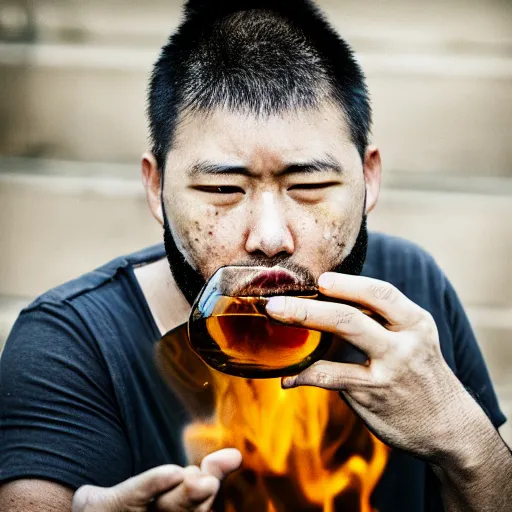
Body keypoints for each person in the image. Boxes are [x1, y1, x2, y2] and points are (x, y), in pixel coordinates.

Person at [1, 0, 511, 510]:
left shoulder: (409, 292)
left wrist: (465, 443)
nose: (269, 238)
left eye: (309, 185)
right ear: (156, 187)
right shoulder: (71, 343)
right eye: (223, 188)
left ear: (368, 179)